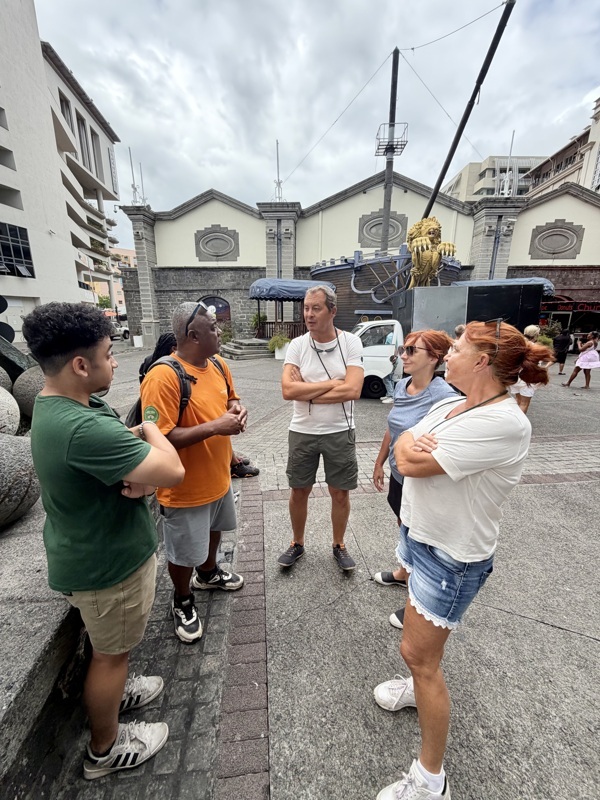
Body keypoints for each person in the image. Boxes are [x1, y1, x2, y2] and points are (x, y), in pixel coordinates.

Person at [372, 321, 553, 800]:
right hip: (422, 537)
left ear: (480, 361)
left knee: (419, 656)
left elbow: (407, 461)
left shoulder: (503, 422)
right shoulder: (453, 403)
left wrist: (413, 448)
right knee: (418, 646)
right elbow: (407, 441)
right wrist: (413, 444)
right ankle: (417, 686)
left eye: (454, 349)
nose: (446, 354)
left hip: (451, 557)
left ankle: (432, 779)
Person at [22, 303, 184, 780]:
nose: (115, 363)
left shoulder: (61, 406)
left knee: (110, 648)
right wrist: (154, 428)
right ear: (80, 365)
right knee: (110, 655)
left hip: (92, 554)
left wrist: (137, 459)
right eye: (109, 354)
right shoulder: (83, 426)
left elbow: (115, 446)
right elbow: (171, 468)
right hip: (107, 568)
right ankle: (104, 750)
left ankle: (117, 692)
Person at [140, 301, 246, 644]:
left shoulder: (217, 363)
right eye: (214, 328)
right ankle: (182, 598)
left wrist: (236, 411)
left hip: (218, 478)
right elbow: (160, 436)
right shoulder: (163, 376)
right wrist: (217, 427)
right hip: (184, 489)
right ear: (192, 335)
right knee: (184, 550)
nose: (220, 332)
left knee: (214, 531)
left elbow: (230, 398)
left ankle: (209, 573)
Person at [372, 330, 457, 628]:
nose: (403, 356)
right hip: (398, 475)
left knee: (420, 536)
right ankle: (403, 573)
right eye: (403, 349)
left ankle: (418, 603)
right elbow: (393, 427)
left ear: (434, 358)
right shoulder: (402, 384)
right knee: (402, 524)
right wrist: (380, 461)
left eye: (411, 350)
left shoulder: (445, 397)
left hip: (421, 481)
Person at [278, 285, 364, 571]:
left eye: (316, 308)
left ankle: (339, 544)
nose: (309, 314)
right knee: (298, 490)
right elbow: (288, 391)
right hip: (302, 430)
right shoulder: (298, 345)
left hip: (340, 429)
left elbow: (353, 389)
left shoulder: (351, 342)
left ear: (332, 311)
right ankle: (297, 542)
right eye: (306, 308)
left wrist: (307, 390)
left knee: (340, 492)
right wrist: (330, 384)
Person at [508, 325, 547, 413]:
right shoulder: (535, 347)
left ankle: (516, 421)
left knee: (518, 401)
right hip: (527, 377)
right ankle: (520, 423)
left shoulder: (517, 344)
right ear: (536, 334)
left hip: (514, 376)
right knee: (524, 403)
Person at [381, 329, 401, 404]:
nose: (382, 331)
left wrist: (394, 358)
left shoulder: (390, 337)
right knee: (390, 378)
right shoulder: (393, 335)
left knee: (386, 377)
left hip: (392, 359)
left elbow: (393, 348)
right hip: (394, 358)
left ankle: (391, 396)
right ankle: (389, 394)